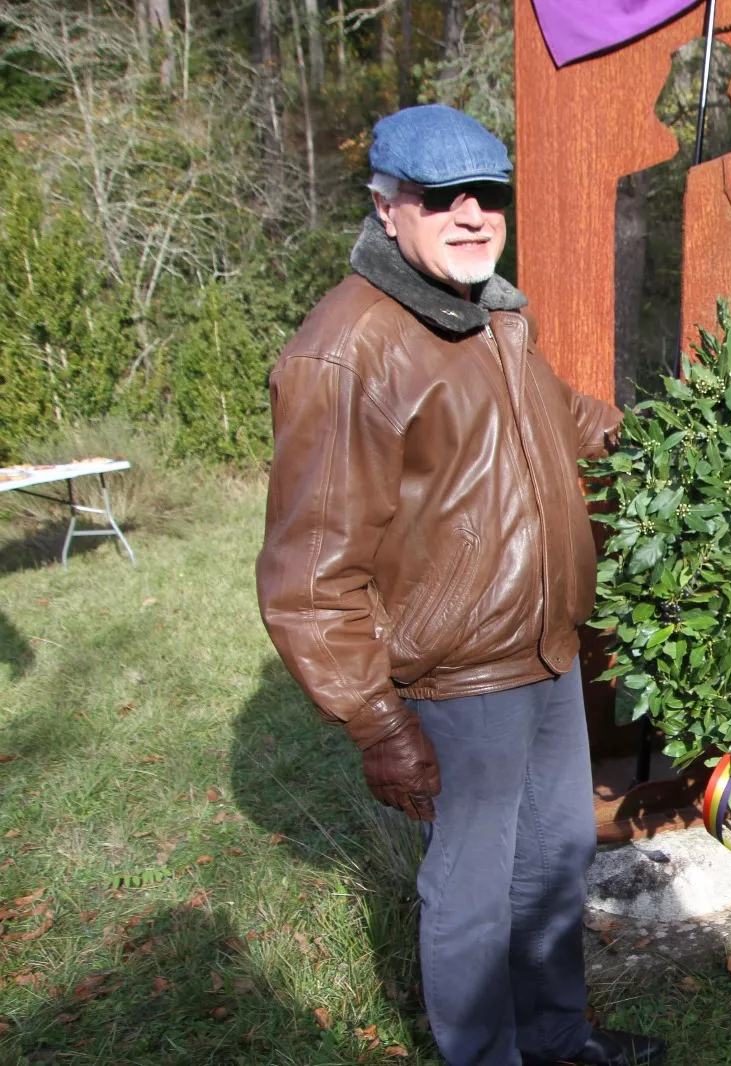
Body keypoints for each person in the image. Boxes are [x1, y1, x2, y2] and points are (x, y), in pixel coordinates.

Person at [256, 104, 666, 1066]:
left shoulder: (496, 315)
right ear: (386, 207)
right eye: (443, 198)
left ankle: (560, 1042)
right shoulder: (345, 351)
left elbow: (561, 415)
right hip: (452, 678)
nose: (473, 214)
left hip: (548, 648)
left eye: (490, 195)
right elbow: (308, 576)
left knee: (558, 858)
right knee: (473, 890)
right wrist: (377, 721)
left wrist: (668, 447)